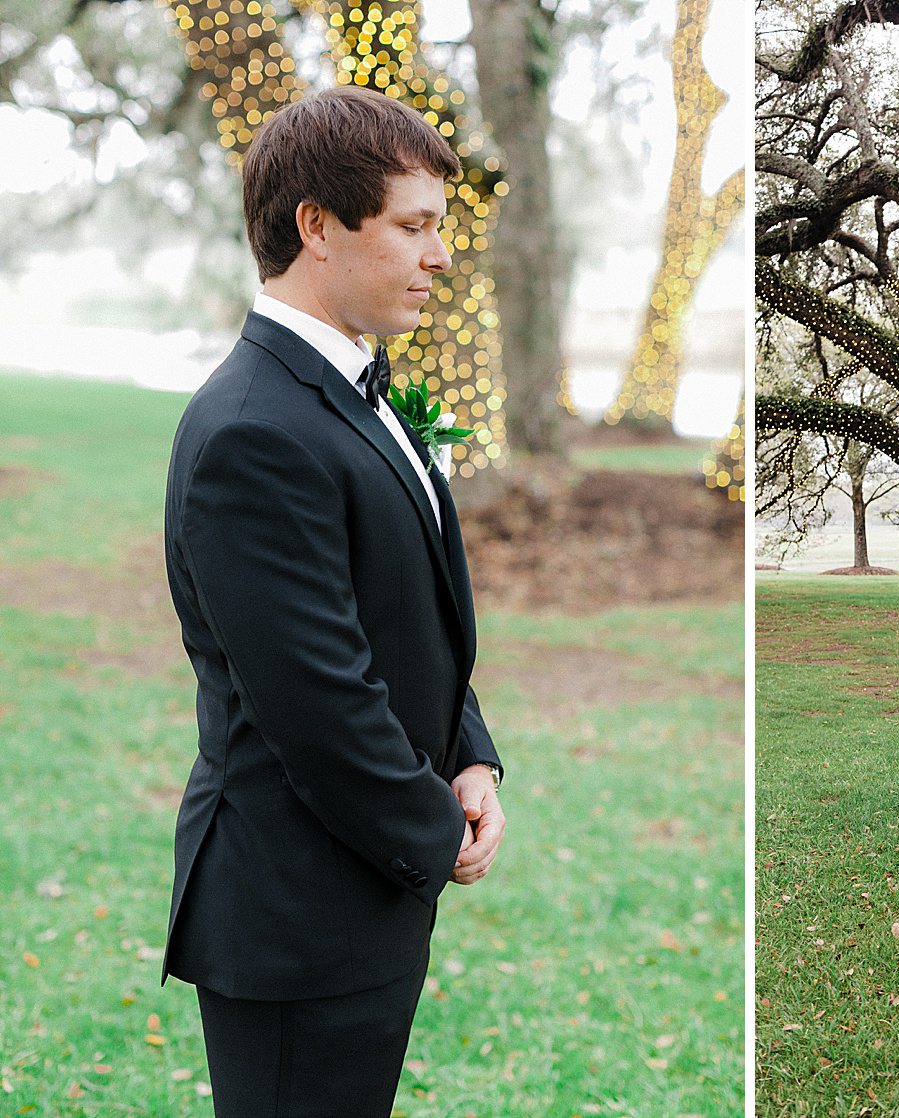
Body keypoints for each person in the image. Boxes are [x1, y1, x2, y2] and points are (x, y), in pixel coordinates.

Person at [160, 86, 506, 1116]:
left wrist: (468, 753)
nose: (439, 256)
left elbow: (410, 613)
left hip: (358, 886)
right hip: (292, 906)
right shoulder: (250, 433)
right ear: (317, 225)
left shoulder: (362, 387)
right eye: (414, 227)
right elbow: (316, 695)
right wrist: (431, 829)